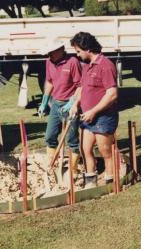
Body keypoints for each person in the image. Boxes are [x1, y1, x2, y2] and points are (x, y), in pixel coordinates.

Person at [69, 32, 119, 188]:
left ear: (87, 48)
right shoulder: (86, 66)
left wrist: (94, 111)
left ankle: (111, 183)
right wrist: (75, 103)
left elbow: (112, 94)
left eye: (78, 51)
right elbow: (82, 87)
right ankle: (91, 183)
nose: (77, 55)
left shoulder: (106, 65)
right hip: (87, 116)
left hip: (103, 117)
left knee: (106, 152)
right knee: (85, 150)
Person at [38, 38, 82, 174]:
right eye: (48, 53)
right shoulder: (49, 62)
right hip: (56, 104)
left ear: (61, 50)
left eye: (51, 52)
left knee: (71, 139)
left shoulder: (73, 62)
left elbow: (80, 86)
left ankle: (73, 169)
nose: (49, 55)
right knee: (50, 136)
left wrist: (72, 102)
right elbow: (50, 82)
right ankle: (53, 166)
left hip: (70, 105)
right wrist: (45, 101)